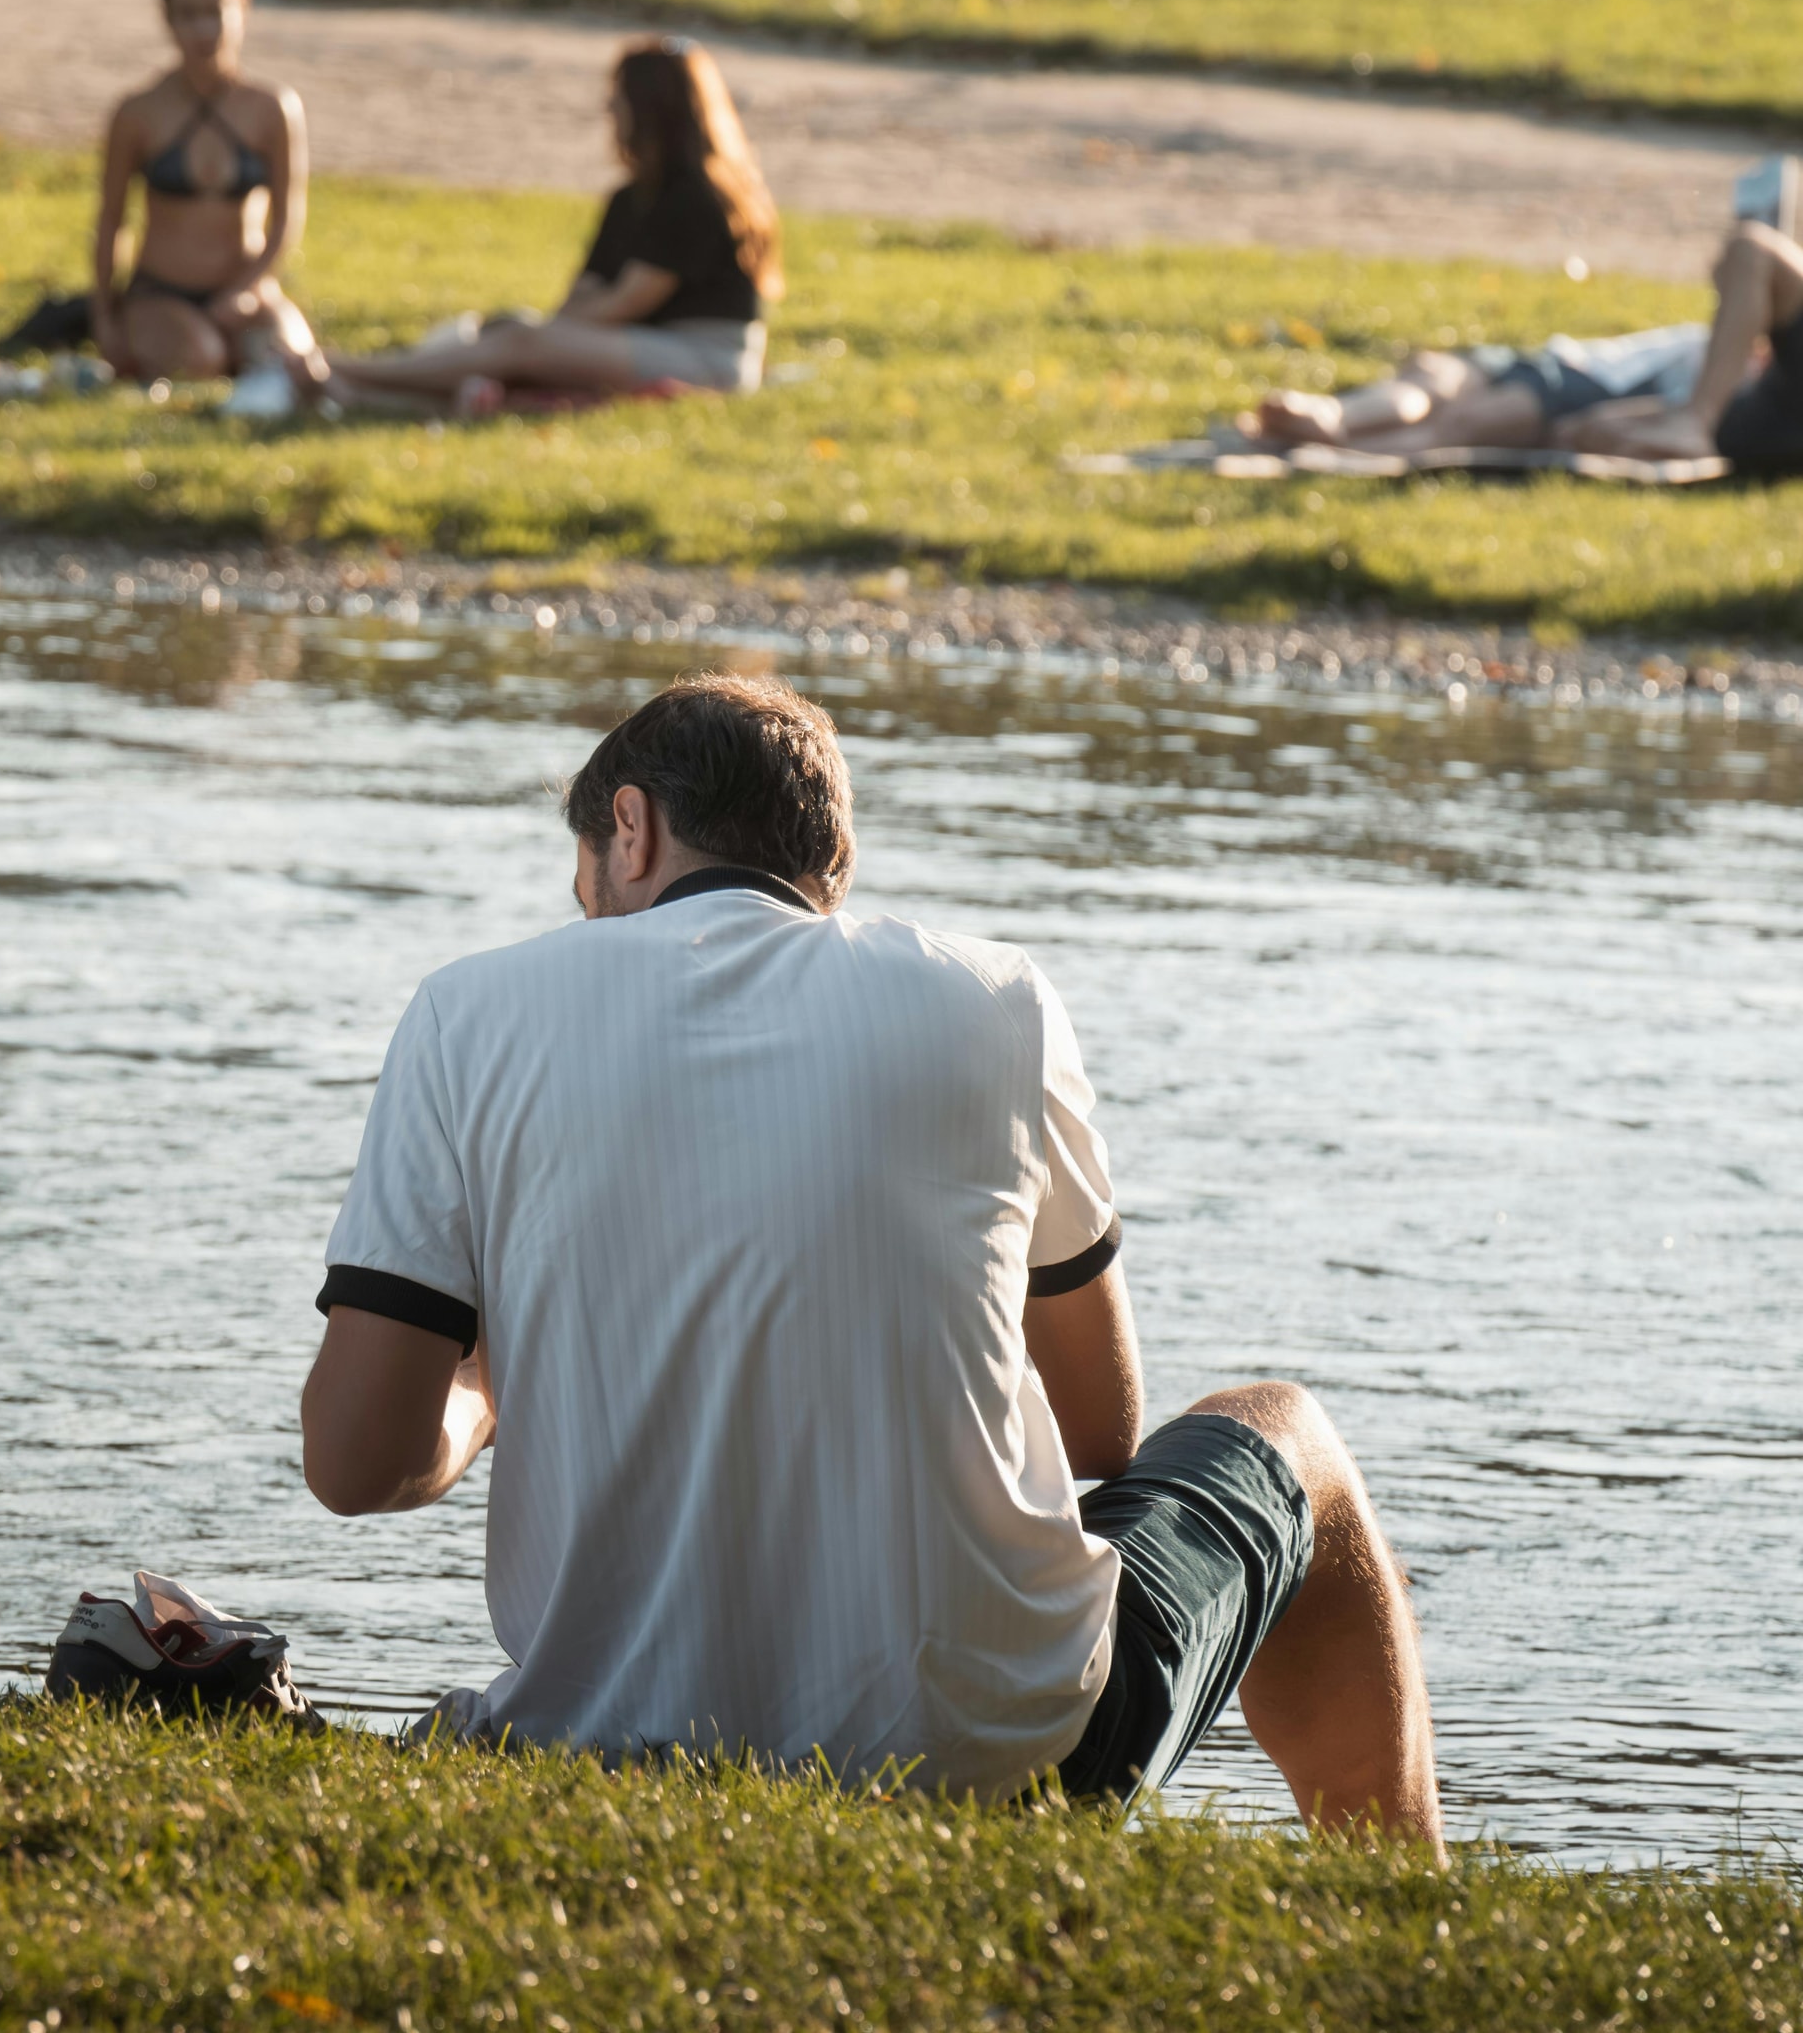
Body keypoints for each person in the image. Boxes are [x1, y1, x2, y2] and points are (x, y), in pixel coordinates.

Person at [298, 675, 1447, 1849]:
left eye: (585, 883)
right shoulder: (998, 998)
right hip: (1004, 1760)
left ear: (628, 829)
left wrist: (494, 1376)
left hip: (595, 1743)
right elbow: (1102, 1430)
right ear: (826, 867)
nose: (590, 916)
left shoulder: (465, 1010)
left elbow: (355, 1466)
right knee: (1290, 1437)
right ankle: (1403, 1902)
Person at [321, 38, 780, 416]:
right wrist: (544, 333)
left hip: (705, 358)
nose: (610, 107)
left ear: (650, 108)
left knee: (519, 343)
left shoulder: (696, 197)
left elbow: (626, 302)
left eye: (619, 96)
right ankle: (361, 396)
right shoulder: (630, 198)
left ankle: (345, 370)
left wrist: (544, 338)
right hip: (639, 342)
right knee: (510, 339)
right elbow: (586, 291)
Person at [1250, 221, 1803, 476]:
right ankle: (1337, 416)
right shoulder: (1726, 358)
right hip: (1557, 359)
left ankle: (1340, 451)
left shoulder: (1734, 394)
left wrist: (1656, 419)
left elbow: (1599, 427)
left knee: (1464, 421)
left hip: (1582, 381)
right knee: (1434, 374)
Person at [90, 0, 329, 420]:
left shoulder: (272, 109)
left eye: (217, 11)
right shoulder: (139, 112)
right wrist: (104, 319)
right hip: (161, 292)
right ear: (168, 21)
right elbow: (111, 222)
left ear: (243, 11)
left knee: (301, 366)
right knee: (202, 361)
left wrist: (246, 289)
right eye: (188, 15)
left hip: (244, 289)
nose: (204, 30)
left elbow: (286, 219)